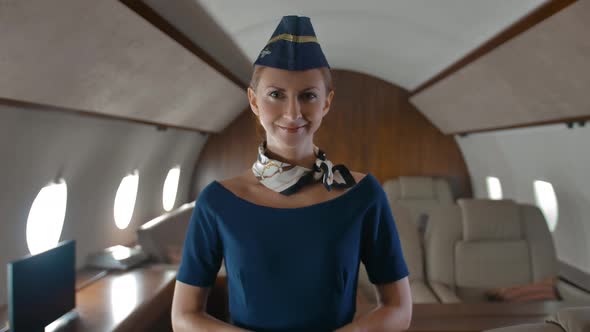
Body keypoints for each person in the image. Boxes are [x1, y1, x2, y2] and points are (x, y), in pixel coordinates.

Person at [171, 15, 412, 332]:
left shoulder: (362, 194)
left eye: (308, 95)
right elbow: (184, 316)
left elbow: (398, 308)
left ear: (326, 103)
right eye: (276, 95)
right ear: (254, 101)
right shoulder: (217, 201)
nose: (293, 113)